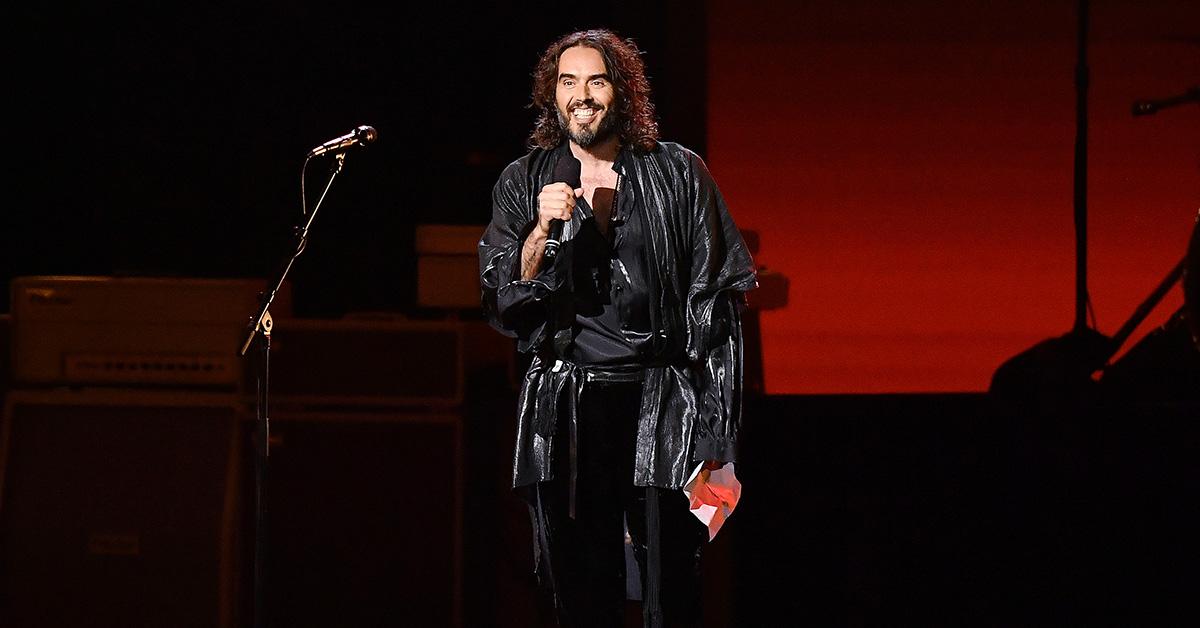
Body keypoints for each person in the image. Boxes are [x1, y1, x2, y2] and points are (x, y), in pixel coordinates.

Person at [478, 28, 756, 628]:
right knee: (578, 590)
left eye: (595, 80)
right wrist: (539, 232)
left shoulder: (678, 173)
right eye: (567, 81)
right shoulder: (524, 181)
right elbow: (504, 301)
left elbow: (719, 305)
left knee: (670, 590)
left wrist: (717, 435)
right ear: (551, 95)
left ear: (620, 91)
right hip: (568, 407)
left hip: (662, 403)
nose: (581, 94)